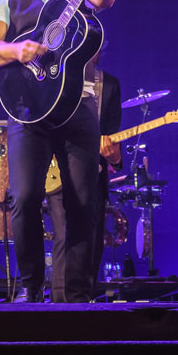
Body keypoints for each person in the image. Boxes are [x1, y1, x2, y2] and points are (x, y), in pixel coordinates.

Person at [0, 0, 118, 302]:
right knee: (23, 198)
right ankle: (31, 287)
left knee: (83, 202)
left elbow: (103, 0)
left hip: (76, 106)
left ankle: (76, 296)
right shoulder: (4, 0)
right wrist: (15, 50)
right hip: (27, 111)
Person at [47, 66, 122, 302]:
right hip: (59, 168)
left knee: (92, 240)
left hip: (94, 173)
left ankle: (83, 305)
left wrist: (115, 157)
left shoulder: (109, 84)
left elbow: (113, 143)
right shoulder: (56, 76)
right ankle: (61, 307)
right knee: (66, 237)